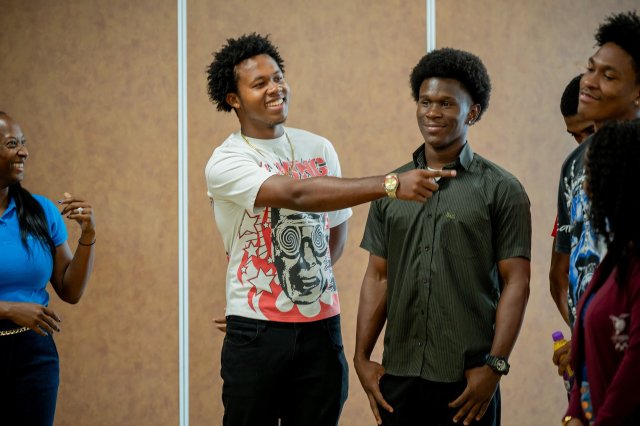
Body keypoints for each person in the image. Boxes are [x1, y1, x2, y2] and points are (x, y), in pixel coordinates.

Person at [205, 33, 453, 426]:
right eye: (259, 83)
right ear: (233, 99)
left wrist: (294, 290)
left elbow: (332, 241)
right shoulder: (226, 161)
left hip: (321, 331)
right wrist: (390, 184)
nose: (275, 88)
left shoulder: (318, 148)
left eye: (278, 77)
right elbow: (297, 194)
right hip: (256, 334)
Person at [354, 48, 531, 426]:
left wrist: (496, 367)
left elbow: (517, 282)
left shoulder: (502, 189)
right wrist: (361, 357)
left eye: (446, 103)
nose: (432, 112)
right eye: (425, 101)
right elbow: (378, 276)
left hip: (468, 382)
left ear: (473, 112)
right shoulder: (390, 188)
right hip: (398, 377)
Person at [552, 10, 640, 385]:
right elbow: (563, 266)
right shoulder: (574, 164)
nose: (589, 82)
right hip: (589, 359)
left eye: (609, 75)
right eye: (591, 68)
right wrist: (582, 334)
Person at [0, 111, 96, 425]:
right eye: (12, 144)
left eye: (23, 143)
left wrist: (88, 235)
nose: (24, 152)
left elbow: (70, 290)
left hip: (34, 355)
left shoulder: (41, 211)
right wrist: (8, 309)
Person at [563, 119, 640, 426]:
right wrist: (572, 415)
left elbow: (636, 361)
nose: (585, 186)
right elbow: (584, 346)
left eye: (593, 174)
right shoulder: (616, 258)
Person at [550, 74, 595, 325]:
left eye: (590, 130)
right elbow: (558, 276)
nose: (584, 143)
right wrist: (580, 333)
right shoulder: (573, 173)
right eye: (575, 135)